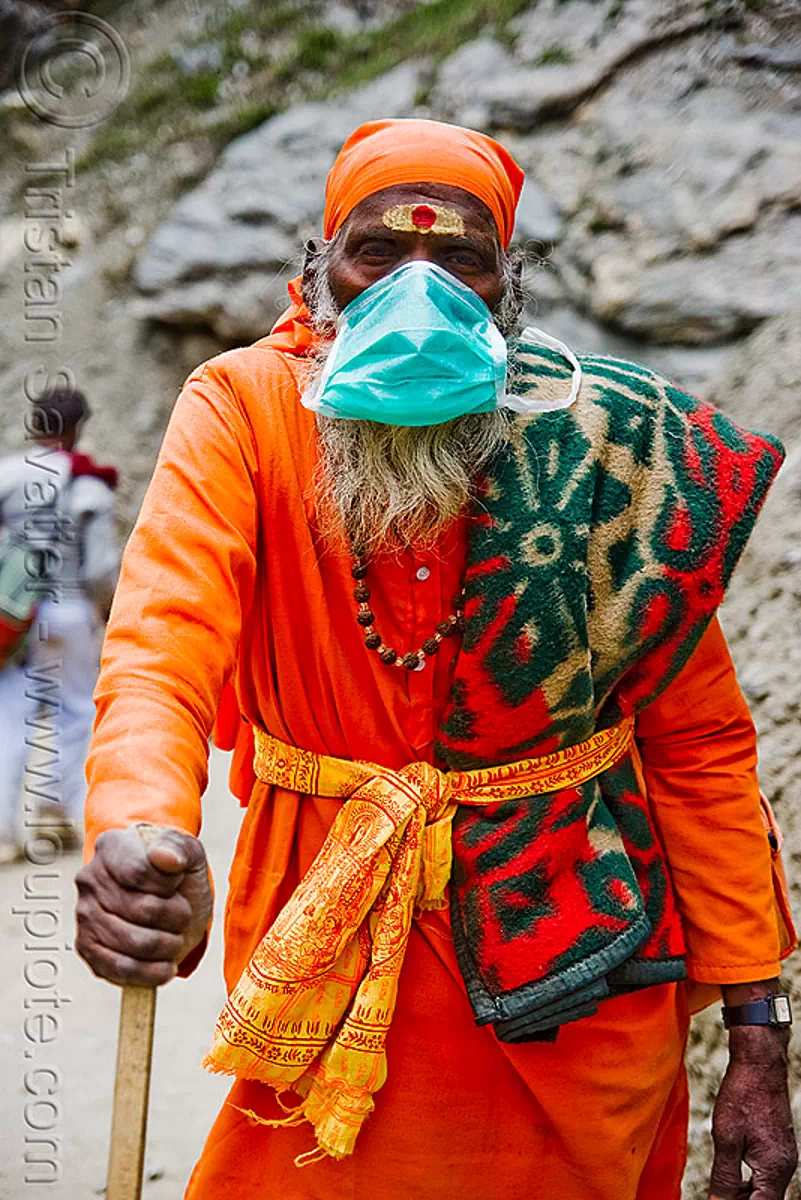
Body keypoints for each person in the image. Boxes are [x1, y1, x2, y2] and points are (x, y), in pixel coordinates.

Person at [74, 120, 797, 1199]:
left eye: (460, 258)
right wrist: (136, 823)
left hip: (575, 974)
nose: (418, 291)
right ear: (317, 272)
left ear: (509, 286)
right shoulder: (243, 409)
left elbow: (699, 744)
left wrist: (757, 1033)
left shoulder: (600, 441)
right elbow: (160, 647)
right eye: (377, 254)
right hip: (324, 954)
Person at [0, 387, 119, 862]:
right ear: (76, 427)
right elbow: (99, 568)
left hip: (17, 617)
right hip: (70, 613)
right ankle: (55, 813)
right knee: (74, 714)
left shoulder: (7, 476)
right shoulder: (88, 484)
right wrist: (108, 609)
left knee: (11, 717)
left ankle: (3, 832)